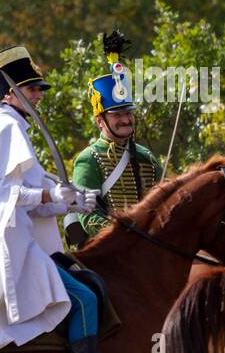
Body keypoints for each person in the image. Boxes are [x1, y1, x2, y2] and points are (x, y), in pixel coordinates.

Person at [0, 47, 130, 353]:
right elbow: (5, 199)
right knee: (84, 300)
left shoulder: (9, 130)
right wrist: (53, 197)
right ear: (8, 93)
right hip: (10, 251)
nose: (38, 95)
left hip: (21, 240)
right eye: (31, 88)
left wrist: (70, 200)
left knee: (90, 285)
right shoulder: (3, 130)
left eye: (37, 88)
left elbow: (30, 203)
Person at [69, 30, 162, 244]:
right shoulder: (89, 159)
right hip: (111, 250)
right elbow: (86, 214)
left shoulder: (146, 156)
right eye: (117, 115)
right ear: (100, 121)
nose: (126, 119)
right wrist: (123, 237)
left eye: (128, 113)